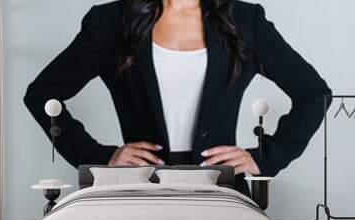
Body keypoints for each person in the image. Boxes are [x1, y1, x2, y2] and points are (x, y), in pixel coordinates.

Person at [24, 0, 331, 196]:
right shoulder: (110, 21)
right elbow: (42, 95)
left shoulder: (244, 20)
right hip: (140, 187)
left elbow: (313, 94)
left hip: (221, 188)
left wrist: (266, 158)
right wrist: (98, 156)